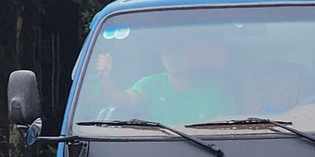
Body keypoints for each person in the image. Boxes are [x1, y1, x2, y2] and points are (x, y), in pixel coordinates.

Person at [89, 34, 234, 124]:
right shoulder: (151, 84)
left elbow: (223, 126)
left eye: (178, 53)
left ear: (191, 56)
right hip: (158, 151)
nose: (172, 59)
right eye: (166, 53)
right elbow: (121, 101)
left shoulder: (212, 89)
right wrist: (106, 77)